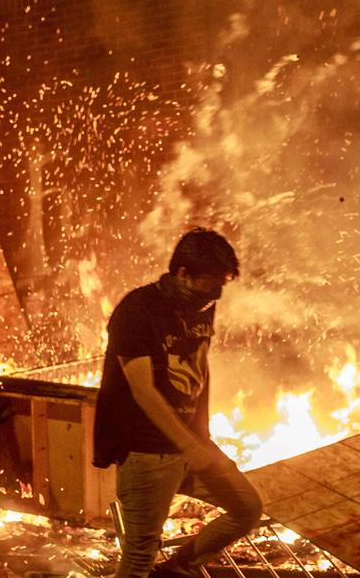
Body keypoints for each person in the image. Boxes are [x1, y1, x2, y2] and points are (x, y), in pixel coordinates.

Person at [93, 228, 263, 578]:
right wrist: (191, 446)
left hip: (191, 446)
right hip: (147, 452)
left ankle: (174, 570)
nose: (215, 295)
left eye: (222, 286)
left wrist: (201, 434)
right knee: (139, 555)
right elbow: (143, 390)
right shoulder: (137, 311)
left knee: (246, 508)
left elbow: (200, 364)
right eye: (210, 284)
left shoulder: (202, 305)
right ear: (183, 274)